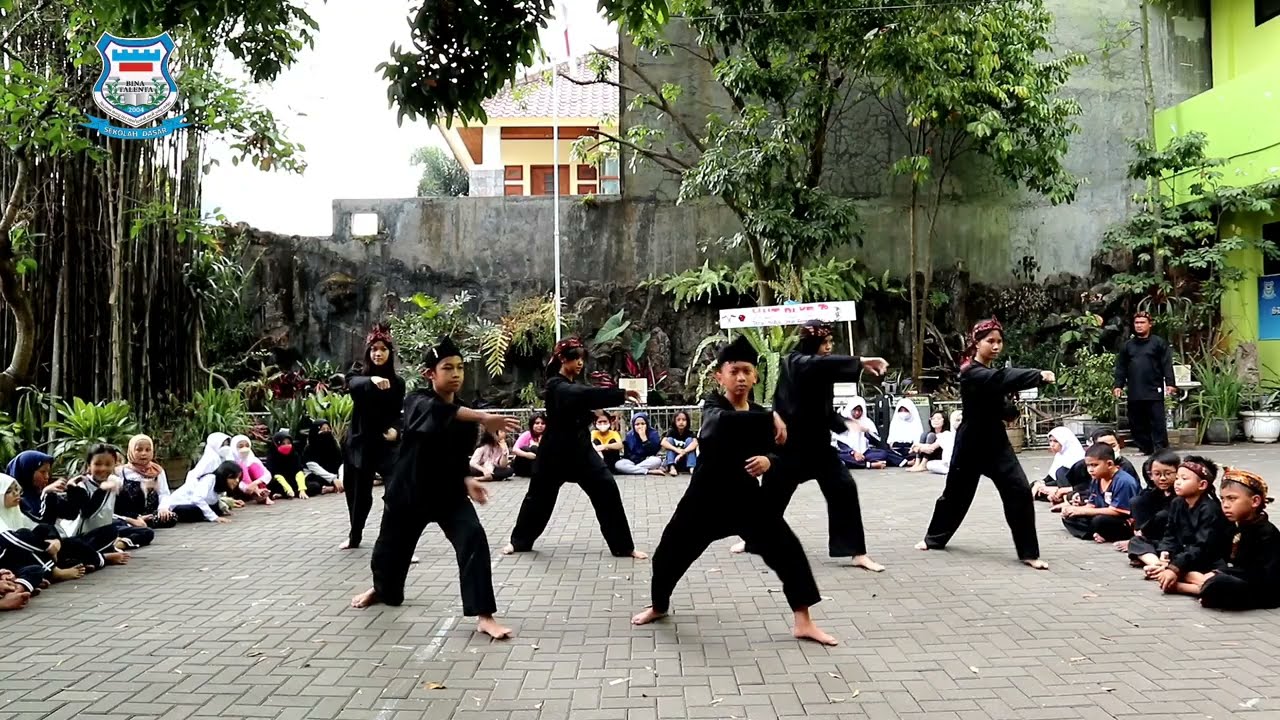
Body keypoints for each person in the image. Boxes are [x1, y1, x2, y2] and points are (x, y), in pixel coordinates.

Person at [631, 335, 838, 645]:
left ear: (755, 376)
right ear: (720, 376)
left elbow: (786, 454)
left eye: (747, 371)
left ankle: (803, 621)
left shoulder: (762, 414)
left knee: (788, 551)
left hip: (746, 498)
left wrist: (770, 460)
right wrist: (771, 417)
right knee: (667, 557)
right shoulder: (714, 407)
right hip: (704, 500)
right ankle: (659, 605)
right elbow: (720, 426)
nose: (741, 377)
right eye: (733, 371)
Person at [352, 336, 517, 640]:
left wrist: (467, 479)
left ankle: (484, 615)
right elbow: (436, 415)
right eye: (447, 368)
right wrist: (483, 416)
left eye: (460, 368)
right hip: (409, 492)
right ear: (431, 373)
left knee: (474, 541)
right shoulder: (416, 400)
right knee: (389, 553)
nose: (456, 374)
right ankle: (381, 589)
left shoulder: (466, 416)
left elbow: (456, 457)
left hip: (447, 495)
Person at [733, 320, 889, 573]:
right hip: (789, 448)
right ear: (812, 343)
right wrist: (860, 361)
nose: (829, 347)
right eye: (825, 343)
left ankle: (857, 552)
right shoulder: (794, 362)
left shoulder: (821, 372)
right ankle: (753, 538)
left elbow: (823, 411)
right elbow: (817, 365)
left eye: (830, 342)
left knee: (844, 488)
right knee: (772, 496)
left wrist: (847, 424)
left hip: (819, 449)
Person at [915, 318, 1054, 570]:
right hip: (970, 443)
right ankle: (933, 539)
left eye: (1000, 341)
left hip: (996, 443)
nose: (996, 346)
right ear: (976, 343)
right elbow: (1000, 378)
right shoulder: (970, 372)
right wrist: (1037, 376)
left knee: (1019, 491)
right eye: (990, 341)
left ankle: (1028, 553)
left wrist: (1010, 406)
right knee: (955, 495)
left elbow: (1005, 408)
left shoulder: (990, 376)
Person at [504, 337, 647, 559]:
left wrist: (597, 413)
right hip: (553, 454)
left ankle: (623, 547)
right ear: (562, 359)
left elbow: (583, 402)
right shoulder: (555, 385)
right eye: (575, 358)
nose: (580, 363)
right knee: (538, 499)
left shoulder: (573, 386)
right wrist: (620, 394)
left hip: (581, 452)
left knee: (607, 489)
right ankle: (519, 542)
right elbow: (582, 395)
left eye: (582, 358)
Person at [343, 322, 406, 549]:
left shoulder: (398, 383)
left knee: (396, 489)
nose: (378, 353)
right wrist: (371, 380)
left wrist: (396, 430)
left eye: (383, 349)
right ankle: (355, 535)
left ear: (390, 353)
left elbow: (399, 412)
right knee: (359, 495)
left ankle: (393, 539)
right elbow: (350, 383)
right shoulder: (358, 375)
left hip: (386, 444)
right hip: (360, 442)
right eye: (374, 349)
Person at [1194, 468, 1280, 610]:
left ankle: (1193, 587)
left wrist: (1221, 573)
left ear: (1255, 501)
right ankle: (1202, 586)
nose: (1226, 505)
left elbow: (1258, 573)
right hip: (1237, 576)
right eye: (1223, 499)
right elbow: (1216, 552)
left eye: (1232, 499)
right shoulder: (1233, 526)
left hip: (1261, 589)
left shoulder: (1266, 532)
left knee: (1221, 581)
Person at [1143, 456, 1231, 591]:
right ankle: (1162, 567)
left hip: (1204, 558)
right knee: (1138, 541)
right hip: (1182, 552)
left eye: (1184, 479)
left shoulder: (1210, 509)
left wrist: (1175, 566)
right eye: (1177, 478)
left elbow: (1201, 546)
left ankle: (1177, 579)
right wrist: (1165, 553)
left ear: (1202, 485)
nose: (1177, 483)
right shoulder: (1177, 502)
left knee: (1192, 569)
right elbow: (1170, 533)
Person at [1112, 310, 1176, 455]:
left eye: (1142, 323)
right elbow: (1121, 367)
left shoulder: (1158, 343)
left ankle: (1161, 449)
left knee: (1157, 421)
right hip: (1135, 389)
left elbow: (1166, 364)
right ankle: (1144, 447)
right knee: (1137, 421)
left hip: (1154, 389)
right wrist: (1118, 385)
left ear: (1150, 324)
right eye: (1137, 323)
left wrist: (1170, 383)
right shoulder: (1128, 346)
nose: (1139, 326)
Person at [1060, 443, 1140, 543]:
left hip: (1123, 521)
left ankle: (1105, 534)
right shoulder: (1097, 479)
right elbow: (1092, 505)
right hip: (1101, 514)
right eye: (1088, 465)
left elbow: (1119, 511)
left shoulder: (1123, 481)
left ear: (1109, 464)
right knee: (1070, 517)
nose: (1090, 470)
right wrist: (1074, 510)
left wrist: (1082, 511)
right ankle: (1100, 534)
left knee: (1099, 521)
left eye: (1095, 465)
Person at [1047, 428, 1138, 509]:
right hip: (1090, 496)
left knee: (1098, 520)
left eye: (1113, 445)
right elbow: (1086, 486)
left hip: (1113, 504)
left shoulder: (1124, 467)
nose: (1109, 450)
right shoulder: (1084, 464)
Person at [1118, 450, 1179, 555]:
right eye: (1157, 474)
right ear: (1150, 475)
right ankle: (1140, 541)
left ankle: (1140, 545)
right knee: (1136, 502)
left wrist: (1143, 532)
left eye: (1168, 474)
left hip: (1171, 537)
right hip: (1151, 534)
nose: (1163, 478)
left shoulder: (1180, 493)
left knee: (1163, 515)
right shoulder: (1153, 492)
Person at [118, 434, 178, 529]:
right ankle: (136, 521)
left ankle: (145, 521)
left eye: (147, 450)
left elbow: (164, 493)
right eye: (139, 450)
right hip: (130, 514)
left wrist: (163, 509)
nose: (143, 453)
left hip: (151, 513)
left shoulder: (157, 471)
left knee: (171, 518)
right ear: (131, 451)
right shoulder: (122, 471)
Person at [832, 398, 907, 470]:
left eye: (859, 410)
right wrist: (853, 453)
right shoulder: (844, 422)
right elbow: (840, 444)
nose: (857, 413)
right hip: (848, 453)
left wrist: (867, 432)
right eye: (855, 410)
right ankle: (870, 465)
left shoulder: (867, 422)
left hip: (865, 453)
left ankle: (859, 463)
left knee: (883, 453)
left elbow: (877, 441)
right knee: (837, 456)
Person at [162, 460, 240, 523]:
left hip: (193, 504)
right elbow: (197, 498)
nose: (237, 481)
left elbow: (212, 499)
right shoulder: (209, 479)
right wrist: (214, 518)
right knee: (198, 511)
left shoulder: (219, 486)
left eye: (238, 478)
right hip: (179, 506)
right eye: (233, 478)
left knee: (215, 509)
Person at [1030, 427, 1085, 501]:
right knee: (1035, 485)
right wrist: (1040, 484)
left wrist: (1048, 487)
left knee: (1060, 471)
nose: (1052, 444)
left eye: (1056, 441)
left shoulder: (1077, 456)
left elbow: (1066, 479)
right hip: (1060, 485)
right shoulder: (1059, 456)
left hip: (1073, 488)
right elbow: (1050, 477)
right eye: (1050, 441)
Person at [265, 430, 310, 499]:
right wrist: (288, 489)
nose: (286, 445)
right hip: (279, 483)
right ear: (276, 444)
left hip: (293, 481)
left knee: (314, 486)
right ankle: (288, 493)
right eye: (283, 443)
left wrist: (302, 489)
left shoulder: (294, 454)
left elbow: (299, 472)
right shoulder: (272, 456)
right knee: (272, 486)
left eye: (288, 443)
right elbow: (275, 474)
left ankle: (287, 494)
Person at [301, 419, 342, 495]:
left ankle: (334, 487)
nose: (326, 431)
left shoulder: (334, 446)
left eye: (328, 429)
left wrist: (340, 479)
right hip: (317, 476)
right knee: (314, 486)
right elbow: (314, 468)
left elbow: (341, 464)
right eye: (323, 429)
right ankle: (332, 487)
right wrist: (333, 479)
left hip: (334, 474)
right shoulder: (309, 448)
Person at [230, 434, 273, 505]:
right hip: (239, 490)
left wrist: (254, 484)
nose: (244, 448)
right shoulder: (231, 460)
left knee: (254, 466)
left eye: (247, 445)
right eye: (240, 446)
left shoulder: (252, 459)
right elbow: (234, 481)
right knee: (241, 467)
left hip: (253, 487)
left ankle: (263, 495)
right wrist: (247, 488)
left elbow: (267, 475)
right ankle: (259, 494)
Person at [660, 411, 698, 476]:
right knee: (669, 440)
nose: (681, 422)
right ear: (675, 422)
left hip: (685, 460)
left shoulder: (689, 433)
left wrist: (683, 452)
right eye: (678, 420)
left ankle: (692, 468)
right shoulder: (671, 432)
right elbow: (663, 442)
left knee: (689, 440)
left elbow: (695, 443)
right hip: (674, 459)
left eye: (684, 420)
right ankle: (672, 467)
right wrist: (676, 450)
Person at [511, 413, 546, 478]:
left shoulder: (547, 436)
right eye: (537, 423)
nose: (540, 425)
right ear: (532, 424)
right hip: (523, 465)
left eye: (542, 423)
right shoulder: (527, 434)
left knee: (535, 448)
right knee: (527, 448)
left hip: (538, 464)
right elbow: (514, 449)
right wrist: (527, 455)